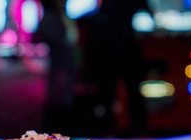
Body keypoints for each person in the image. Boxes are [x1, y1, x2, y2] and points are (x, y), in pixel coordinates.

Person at [87, 0, 151, 133]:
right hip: (120, 47)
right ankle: (134, 127)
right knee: (117, 92)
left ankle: (118, 128)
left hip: (113, 48)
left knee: (115, 92)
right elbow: (147, 13)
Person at [38, 0, 78, 129]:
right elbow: (46, 32)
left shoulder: (62, 14)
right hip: (59, 52)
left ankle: (63, 108)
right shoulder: (51, 15)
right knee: (57, 80)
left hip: (64, 54)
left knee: (62, 80)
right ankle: (58, 110)